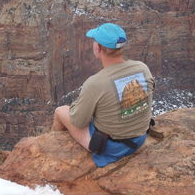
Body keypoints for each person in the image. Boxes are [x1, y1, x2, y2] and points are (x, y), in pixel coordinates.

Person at [51, 22, 155, 167]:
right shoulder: (142, 68)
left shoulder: (96, 83)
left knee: (60, 111)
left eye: (94, 41)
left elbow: (79, 122)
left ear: (98, 48)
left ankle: (51, 149)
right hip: (139, 139)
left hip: (112, 148)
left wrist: (78, 104)